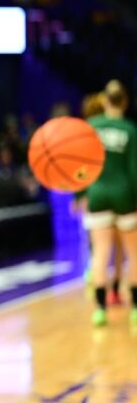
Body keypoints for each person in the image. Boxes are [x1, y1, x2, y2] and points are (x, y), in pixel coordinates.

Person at [82, 80, 137, 327]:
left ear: (104, 101)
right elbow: (134, 170)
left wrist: (79, 195)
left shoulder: (91, 127)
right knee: (133, 254)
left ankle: (100, 309)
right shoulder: (129, 129)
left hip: (98, 193)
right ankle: (135, 309)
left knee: (101, 253)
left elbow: (80, 166)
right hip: (125, 194)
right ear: (125, 102)